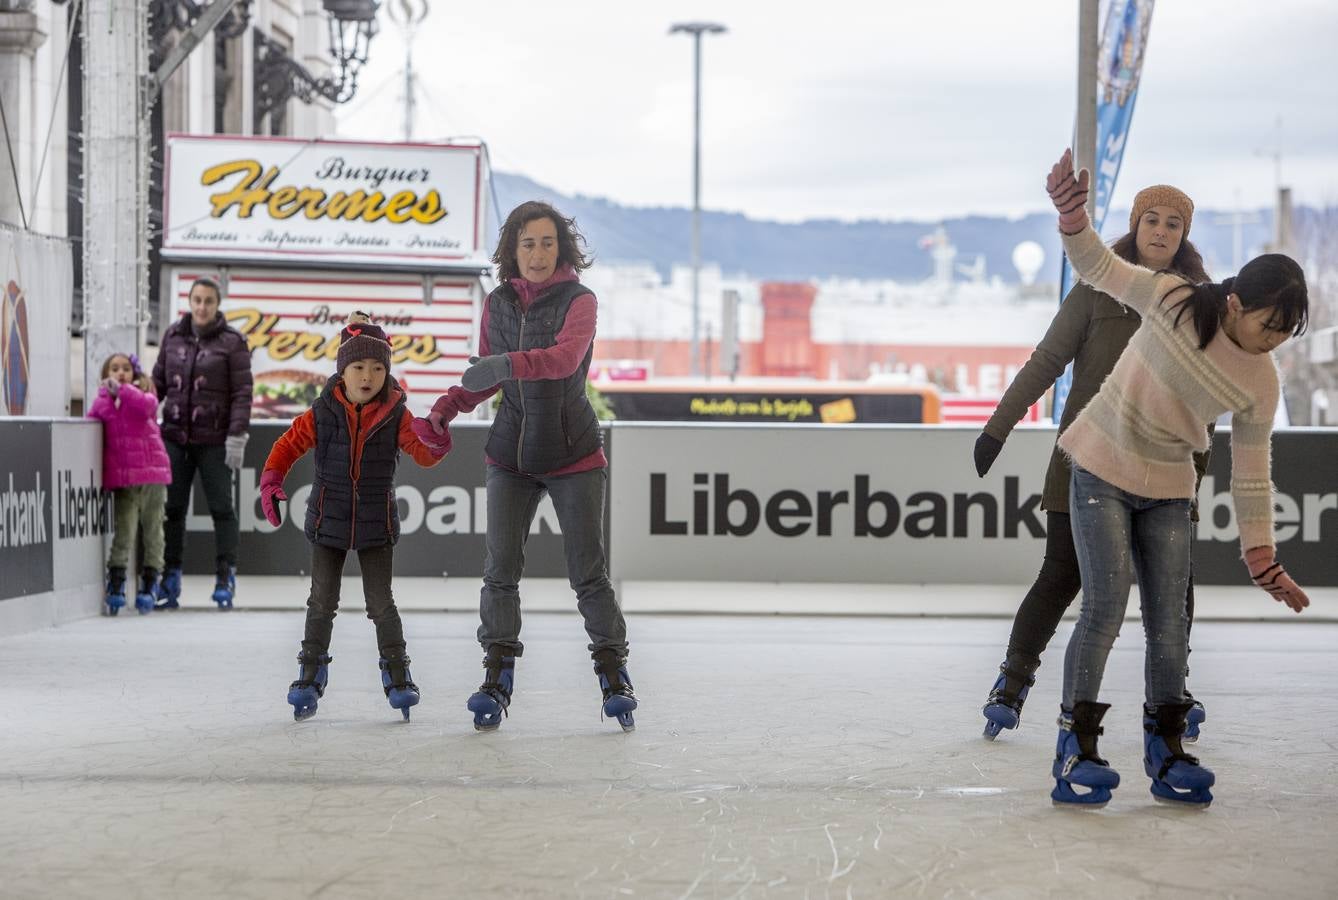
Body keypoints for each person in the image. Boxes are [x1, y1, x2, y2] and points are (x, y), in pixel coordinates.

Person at [1043, 149, 1309, 809]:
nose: (1272, 340)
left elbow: (1252, 472)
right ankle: (1075, 743)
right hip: (1100, 463)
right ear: (1238, 301)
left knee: (1170, 622)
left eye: (1286, 333)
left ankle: (1166, 748)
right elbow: (1099, 267)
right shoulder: (1172, 298)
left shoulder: (1261, 379)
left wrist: (1261, 555)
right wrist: (1072, 216)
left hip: (1168, 485)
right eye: (1267, 324)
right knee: (1105, 608)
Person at [973, 184, 1214, 742]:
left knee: (1175, 587)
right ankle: (1012, 681)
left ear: (1183, 235)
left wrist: (1195, 472)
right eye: (1150, 220)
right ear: (1135, 224)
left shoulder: (1196, 302)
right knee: (1062, 574)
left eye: (1172, 224)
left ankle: (1174, 688)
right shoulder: (1097, 288)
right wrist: (996, 427)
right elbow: (1047, 361)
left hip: (1162, 467)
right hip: (1086, 461)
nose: (1160, 231)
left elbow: (1209, 395)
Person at [417, 200, 639, 732]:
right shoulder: (496, 303)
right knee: (499, 573)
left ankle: (614, 672)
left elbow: (563, 360)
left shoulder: (580, 301)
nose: (537, 254)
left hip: (573, 453)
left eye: (546, 242)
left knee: (588, 574)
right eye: (527, 243)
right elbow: (488, 376)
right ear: (511, 250)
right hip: (509, 454)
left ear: (560, 247)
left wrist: (507, 363)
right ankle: (496, 676)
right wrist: (447, 407)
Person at [258, 312, 449, 721]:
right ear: (343, 371)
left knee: (381, 604)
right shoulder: (322, 412)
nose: (368, 376)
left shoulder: (397, 414)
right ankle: (309, 676)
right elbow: (287, 445)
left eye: (378, 368)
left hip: (375, 525)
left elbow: (423, 454)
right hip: (328, 521)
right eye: (359, 367)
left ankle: (398, 677)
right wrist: (272, 480)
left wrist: (435, 440)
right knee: (321, 601)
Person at [152, 276, 253, 609]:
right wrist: (140, 413)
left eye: (209, 300)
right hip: (175, 437)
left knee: (222, 509)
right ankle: (170, 576)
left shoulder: (232, 342)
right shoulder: (172, 335)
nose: (202, 306)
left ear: (217, 304)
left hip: (216, 440)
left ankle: (226, 575)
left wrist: (236, 436)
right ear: (190, 301)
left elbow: (242, 393)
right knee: (172, 510)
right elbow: (158, 384)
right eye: (197, 299)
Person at [88, 353, 171, 616]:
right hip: (125, 481)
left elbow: (148, 408)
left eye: (125, 368)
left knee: (153, 531)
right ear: (105, 372)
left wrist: (124, 389)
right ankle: (116, 581)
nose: (121, 373)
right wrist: (108, 395)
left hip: (152, 476)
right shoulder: (103, 401)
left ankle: (150, 581)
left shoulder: (142, 393)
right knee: (123, 532)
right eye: (114, 369)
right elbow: (93, 419)